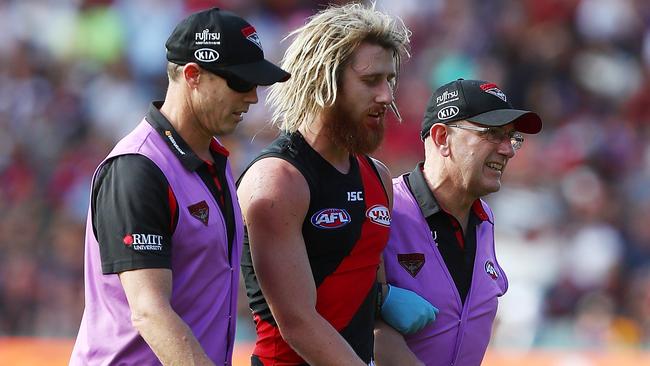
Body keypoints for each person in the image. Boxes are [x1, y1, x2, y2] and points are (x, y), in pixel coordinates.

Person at [69, 7, 289, 365]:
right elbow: (149, 312)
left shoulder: (216, 163)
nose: (252, 97)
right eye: (240, 82)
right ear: (193, 75)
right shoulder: (138, 169)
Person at [237, 3, 438, 366]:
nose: (386, 96)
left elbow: (372, 306)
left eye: (389, 80)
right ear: (323, 82)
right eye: (370, 80)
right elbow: (298, 323)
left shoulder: (376, 175)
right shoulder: (278, 180)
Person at [374, 78, 543, 366]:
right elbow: (353, 324)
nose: (509, 150)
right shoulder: (384, 209)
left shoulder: (484, 219)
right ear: (441, 138)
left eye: (511, 137)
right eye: (492, 134)